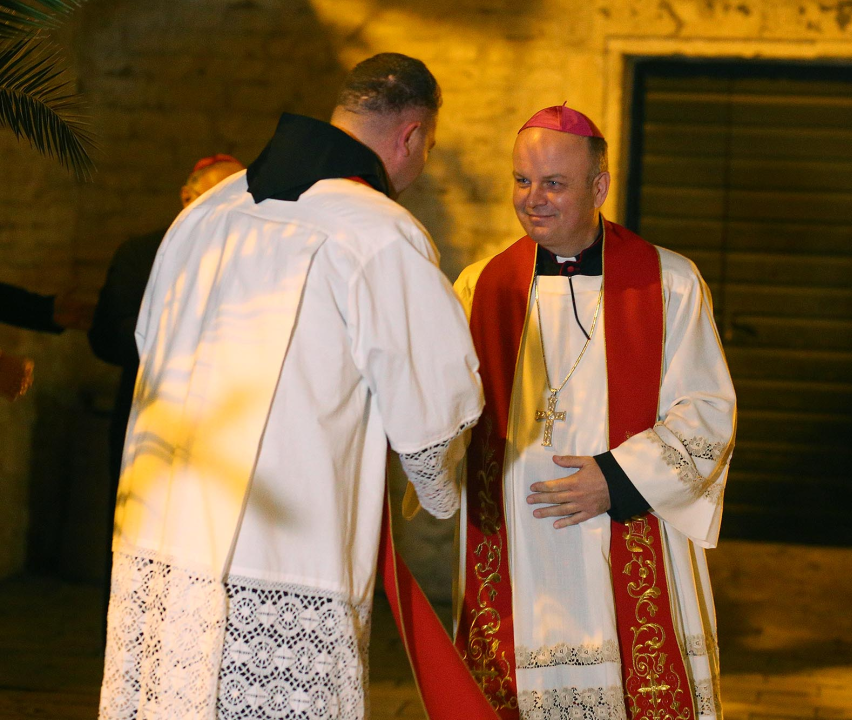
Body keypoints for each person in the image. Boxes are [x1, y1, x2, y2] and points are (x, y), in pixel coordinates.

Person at [99, 53, 483, 720]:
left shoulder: (208, 211)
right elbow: (432, 418)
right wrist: (441, 492)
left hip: (166, 544)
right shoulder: (380, 233)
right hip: (286, 558)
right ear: (414, 136)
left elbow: (144, 344)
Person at [453, 105, 736, 720]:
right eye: (522, 181)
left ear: (599, 187)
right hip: (520, 551)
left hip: (627, 525)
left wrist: (616, 478)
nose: (534, 200)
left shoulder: (669, 282)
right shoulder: (480, 287)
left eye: (553, 184)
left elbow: (708, 412)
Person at [89, 154, 245, 486]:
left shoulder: (254, 256)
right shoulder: (141, 255)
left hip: (229, 429)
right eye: (221, 195)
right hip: (152, 422)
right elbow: (107, 338)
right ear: (187, 197)